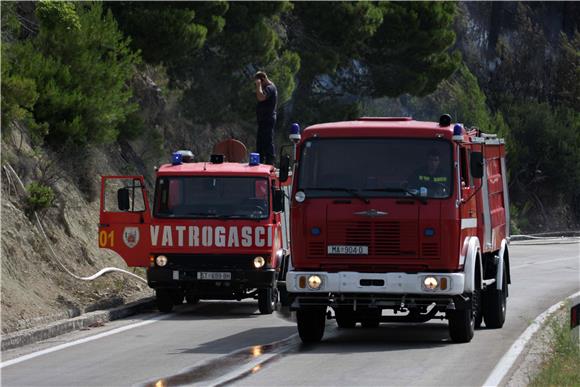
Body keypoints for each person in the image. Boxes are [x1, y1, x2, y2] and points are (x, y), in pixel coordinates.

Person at [254, 71, 277, 165]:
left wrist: (258, 85)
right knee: (260, 143)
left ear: (262, 80)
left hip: (268, 119)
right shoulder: (268, 87)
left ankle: (270, 163)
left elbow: (261, 97)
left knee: (267, 142)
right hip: (263, 120)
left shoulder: (270, 88)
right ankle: (260, 161)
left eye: (259, 82)